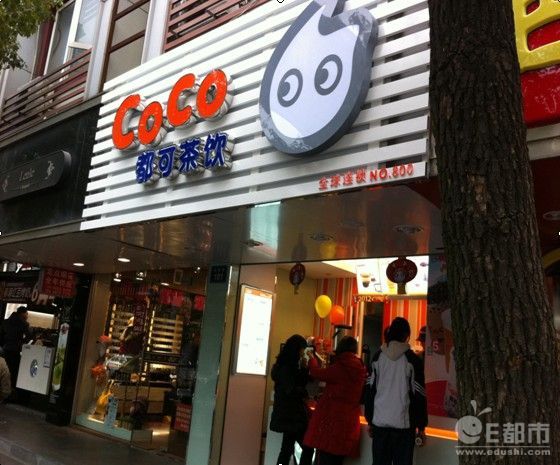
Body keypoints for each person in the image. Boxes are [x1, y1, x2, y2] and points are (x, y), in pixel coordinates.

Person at [365, 317, 428, 465]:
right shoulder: (412, 360)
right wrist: (421, 426)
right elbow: (419, 395)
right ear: (407, 335)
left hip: (380, 425)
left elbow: (370, 390)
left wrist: (370, 419)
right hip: (404, 427)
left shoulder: (377, 357)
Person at [304, 336, 366, 465]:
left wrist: (311, 359)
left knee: (326, 459)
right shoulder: (360, 368)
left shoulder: (340, 367)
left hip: (332, 423)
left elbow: (316, 373)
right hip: (349, 423)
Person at [270, 334, 314, 465]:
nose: (302, 353)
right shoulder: (288, 368)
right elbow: (292, 389)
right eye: (302, 349)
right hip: (292, 415)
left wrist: (304, 369)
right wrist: (304, 393)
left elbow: (294, 385)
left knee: (286, 450)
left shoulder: (283, 366)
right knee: (307, 448)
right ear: (297, 349)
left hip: (287, 414)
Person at [1, 306, 30, 388]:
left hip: (5, 350)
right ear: (23, 313)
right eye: (26, 314)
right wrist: (21, 343)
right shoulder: (24, 324)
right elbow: (29, 337)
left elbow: (1, 336)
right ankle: (11, 389)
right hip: (15, 351)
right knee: (14, 371)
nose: (27, 316)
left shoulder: (5, 322)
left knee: (5, 369)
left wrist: (4, 345)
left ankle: (3, 387)